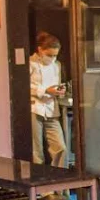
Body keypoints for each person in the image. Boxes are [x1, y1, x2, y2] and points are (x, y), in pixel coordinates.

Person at [29, 32, 68, 166]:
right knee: (36, 151)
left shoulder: (57, 65)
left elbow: (56, 84)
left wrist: (59, 90)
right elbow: (24, 86)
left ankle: (60, 184)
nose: (52, 58)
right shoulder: (30, 63)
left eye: (55, 55)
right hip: (35, 108)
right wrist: (45, 90)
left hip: (51, 108)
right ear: (40, 50)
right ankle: (40, 183)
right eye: (49, 55)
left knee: (60, 148)